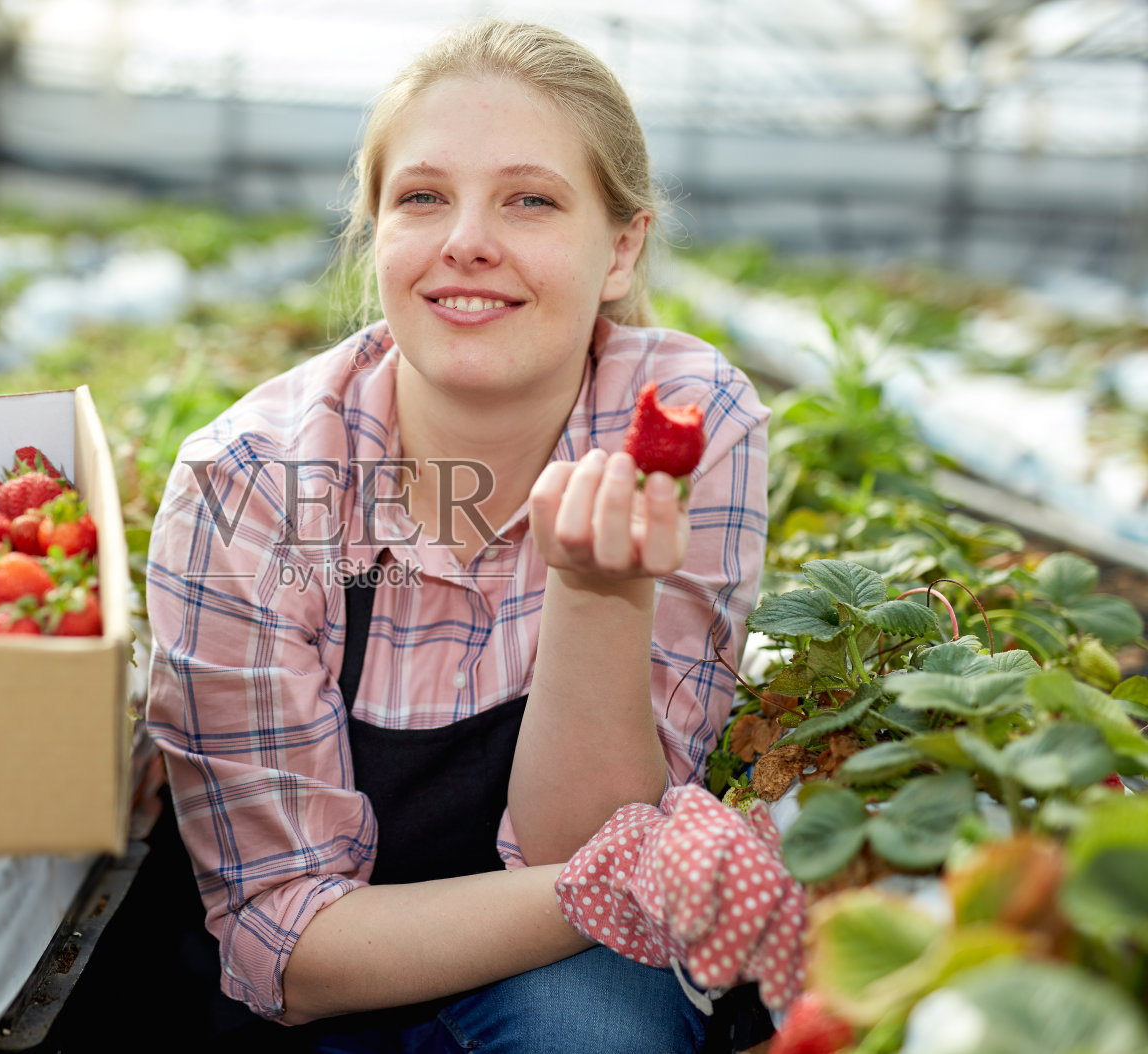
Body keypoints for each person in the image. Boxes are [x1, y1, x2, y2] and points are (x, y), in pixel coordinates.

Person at [144, 18, 771, 1053]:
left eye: (529, 199)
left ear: (620, 249)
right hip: (315, 996)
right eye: (423, 197)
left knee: (595, 1034)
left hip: (556, 972)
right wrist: (634, 872)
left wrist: (594, 593)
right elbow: (283, 947)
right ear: (376, 232)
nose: (465, 239)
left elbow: (581, 833)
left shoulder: (684, 420)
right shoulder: (249, 480)